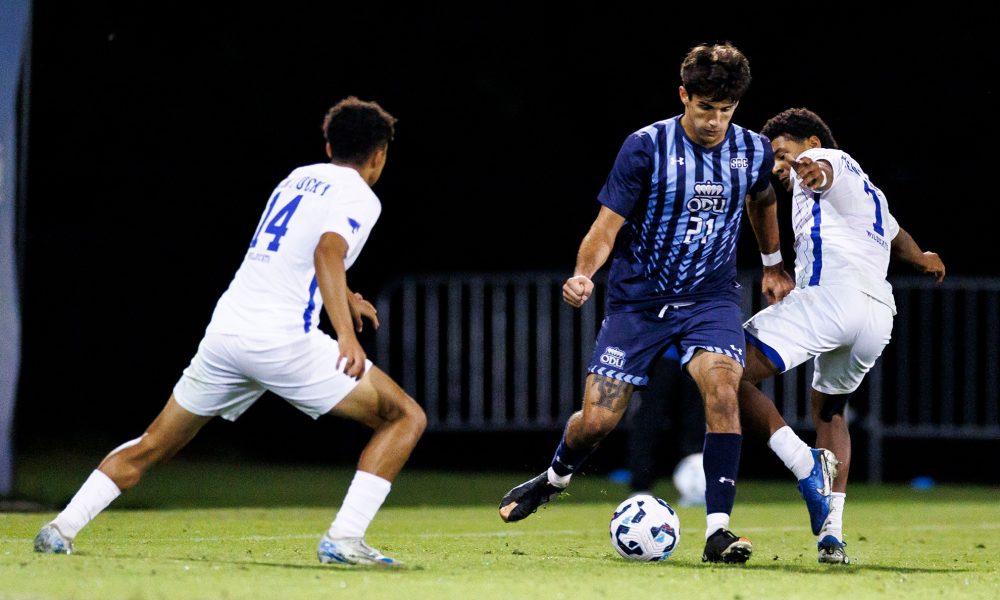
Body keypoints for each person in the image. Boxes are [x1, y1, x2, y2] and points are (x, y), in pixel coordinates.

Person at [33, 96, 427, 568]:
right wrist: (346, 332)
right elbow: (327, 253)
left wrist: (346, 296)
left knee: (153, 444)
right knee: (405, 417)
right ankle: (344, 539)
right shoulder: (362, 195)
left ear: (328, 145)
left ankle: (61, 527)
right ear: (380, 153)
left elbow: (293, 260)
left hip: (227, 334)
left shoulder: (295, 180)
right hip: (282, 342)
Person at [497, 42, 807, 565]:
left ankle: (719, 530)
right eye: (705, 107)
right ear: (683, 95)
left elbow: (762, 198)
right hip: (638, 303)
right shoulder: (645, 147)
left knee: (724, 389)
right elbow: (606, 226)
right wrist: (582, 275)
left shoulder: (752, 150)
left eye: (725, 111)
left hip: (710, 299)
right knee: (597, 421)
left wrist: (774, 263)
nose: (714, 121)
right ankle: (555, 477)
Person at [739, 108, 946, 564]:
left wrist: (810, 169)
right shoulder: (868, 188)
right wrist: (925, 259)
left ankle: (802, 460)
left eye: (782, 154)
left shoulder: (827, 158)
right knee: (829, 409)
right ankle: (832, 535)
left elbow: (823, 170)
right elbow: (897, 236)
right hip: (877, 317)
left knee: (721, 367)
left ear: (811, 142)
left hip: (833, 298)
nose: (777, 168)